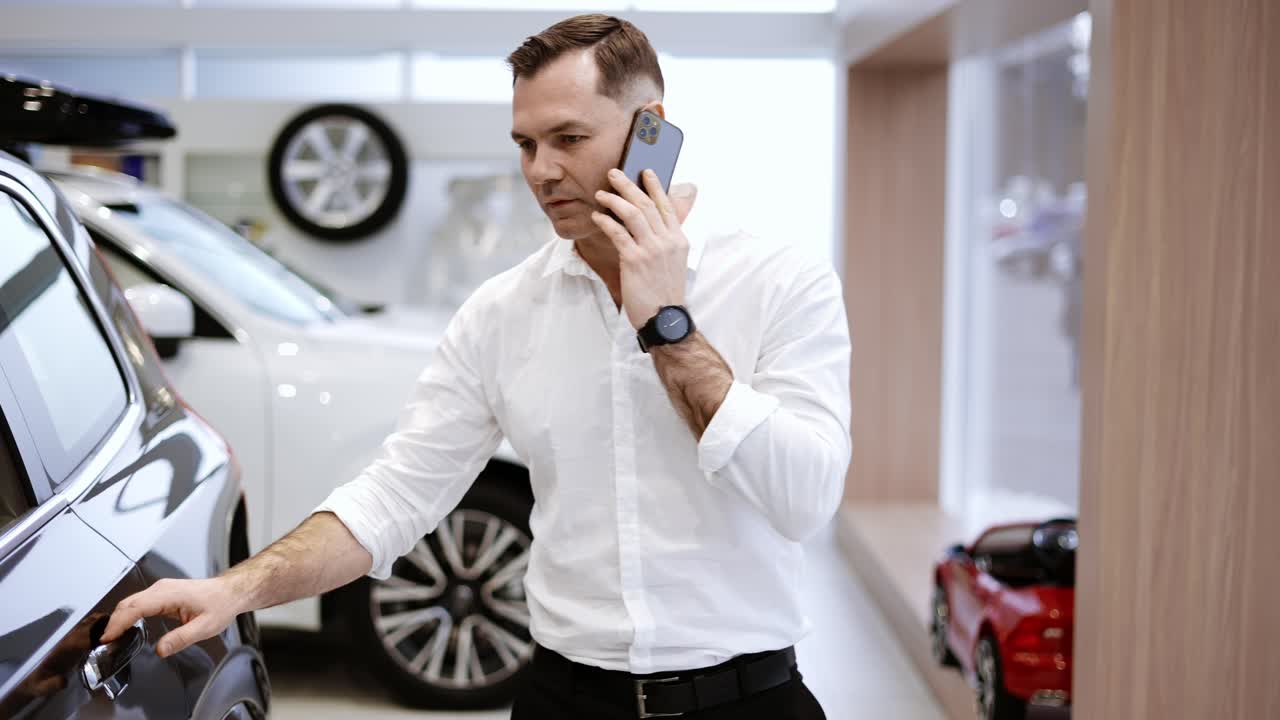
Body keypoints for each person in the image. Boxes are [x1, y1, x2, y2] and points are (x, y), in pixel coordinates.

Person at [102, 13, 851, 719]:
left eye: (568, 137)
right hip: (564, 699)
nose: (542, 171)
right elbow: (396, 495)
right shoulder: (503, 312)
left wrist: (666, 323)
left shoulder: (782, 280)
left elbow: (804, 496)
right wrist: (235, 589)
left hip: (748, 699)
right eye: (526, 144)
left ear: (651, 127)